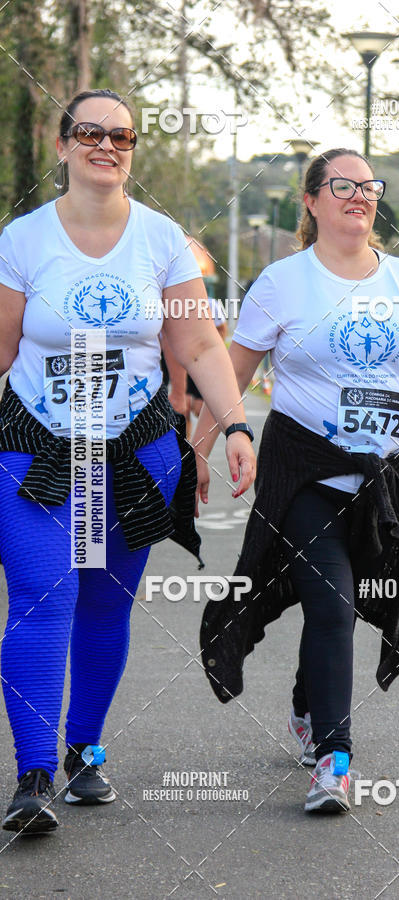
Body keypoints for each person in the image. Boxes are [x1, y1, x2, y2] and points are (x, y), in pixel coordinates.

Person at [0, 88, 256, 835]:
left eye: (121, 135)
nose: (105, 146)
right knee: (44, 597)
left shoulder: (162, 239)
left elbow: (201, 344)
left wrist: (233, 424)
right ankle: (33, 775)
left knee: (106, 605)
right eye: (89, 132)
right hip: (36, 447)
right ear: (62, 145)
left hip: (136, 455)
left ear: (132, 149)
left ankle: (84, 752)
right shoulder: (22, 240)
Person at [192, 148, 399, 814]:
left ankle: (308, 703)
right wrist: (207, 444)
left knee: (345, 601)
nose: (358, 195)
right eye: (342, 185)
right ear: (311, 201)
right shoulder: (284, 282)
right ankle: (335, 763)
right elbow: (235, 368)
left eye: (369, 186)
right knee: (333, 605)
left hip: (388, 478)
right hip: (306, 469)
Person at [162, 240, 229, 437]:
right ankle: (186, 446)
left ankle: (195, 447)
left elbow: (221, 331)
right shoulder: (164, 304)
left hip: (198, 360)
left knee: (198, 408)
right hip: (171, 360)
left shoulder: (211, 304)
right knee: (178, 409)